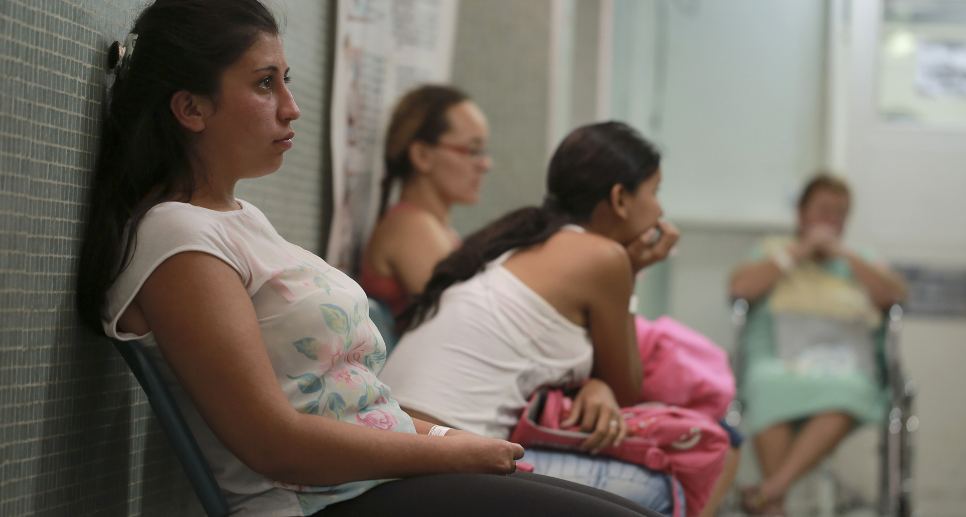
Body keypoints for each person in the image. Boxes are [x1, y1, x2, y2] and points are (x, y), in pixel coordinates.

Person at [74, 2, 662, 516]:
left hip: (373, 481)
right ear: (191, 109)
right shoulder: (177, 237)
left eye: (287, 80)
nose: (291, 107)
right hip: (320, 501)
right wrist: (447, 453)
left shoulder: (239, 220)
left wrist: (445, 438)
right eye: (263, 84)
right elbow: (270, 442)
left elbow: (352, 396)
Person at [381, 121, 691, 514]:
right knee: (661, 487)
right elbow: (628, 390)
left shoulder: (523, 241)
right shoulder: (603, 257)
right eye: (654, 191)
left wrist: (595, 384)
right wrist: (629, 273)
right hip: (444, 462)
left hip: (395, 443)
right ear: (620, 199)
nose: (661, 209)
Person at [728, 174, 907, 515]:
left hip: (846, 366)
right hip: (780, 359)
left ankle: (770, 492)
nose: (831, 220)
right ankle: (773, 505)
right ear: (801, 213)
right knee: (766, 384)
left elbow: (894, 295)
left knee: (848, 391)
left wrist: (846, 256)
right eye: (823, 210)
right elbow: (740, 288)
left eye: (840, 213)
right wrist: (798, 253)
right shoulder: (773, 251)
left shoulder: (860, 257)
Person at [359, 85, 491, 317]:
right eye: (472, 150)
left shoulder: (434, 227)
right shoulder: (411, 226)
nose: (485, 164)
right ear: (422, 156)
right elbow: (465, 321)